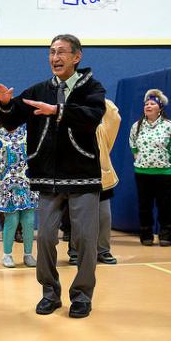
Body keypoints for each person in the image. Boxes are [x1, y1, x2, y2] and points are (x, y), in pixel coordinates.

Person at [0, 34, 105, 319]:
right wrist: (5, 104)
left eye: (62, 52)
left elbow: (92, 115)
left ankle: (81, 296)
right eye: (52, 52)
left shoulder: (92, 88)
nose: (56, 57)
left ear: (77, 57)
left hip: (82, 176)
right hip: (47, 178)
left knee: (85, 239)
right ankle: (50, 293)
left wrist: (58, 111)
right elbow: (12, 118)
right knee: (46, 237)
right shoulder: (39, 90)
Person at [129, 89, 171, 246]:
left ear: (160, 108)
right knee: (144, 206)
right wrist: (139, 158)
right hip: (142, 173)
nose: (148, 106)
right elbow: (132, 143)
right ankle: (146, 235)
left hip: (165, 173)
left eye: (152, 103)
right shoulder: (137, 126)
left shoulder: (169, 126)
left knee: (164, 205)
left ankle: (165, 235)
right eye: (146, 104)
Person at [66, 99, 121, 265]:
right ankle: (76, 251)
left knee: (104, 217)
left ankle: (103, 250)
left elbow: (114, 117)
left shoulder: (102, 130)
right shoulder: (69, 130)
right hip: (77, 180)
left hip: (102, 180)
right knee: (78, 218)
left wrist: (98, 97)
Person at [0, 122, 38, 268]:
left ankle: (28, 254)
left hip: (27, 184)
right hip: (7, 186)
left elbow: (37, 155)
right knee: (12, 220)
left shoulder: (28, 134)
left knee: (29, 221)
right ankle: (7, 255)